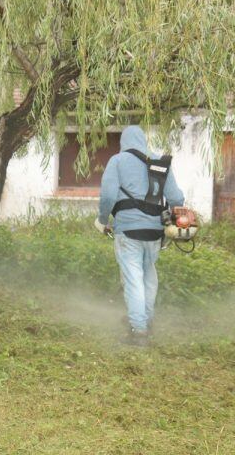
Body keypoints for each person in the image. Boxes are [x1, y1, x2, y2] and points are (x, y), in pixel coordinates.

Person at [96, 126, 184, 347]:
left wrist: (103, 219)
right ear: (143, 140)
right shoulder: (159, 162)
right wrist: (174, 222)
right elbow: (176, 197)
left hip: (128, 231)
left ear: (124, 142)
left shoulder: (117, 161)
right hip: (155, 232)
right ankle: (146, 320)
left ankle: (138, 330)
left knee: (133, 278)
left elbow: (107, 195)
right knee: (148, 276)